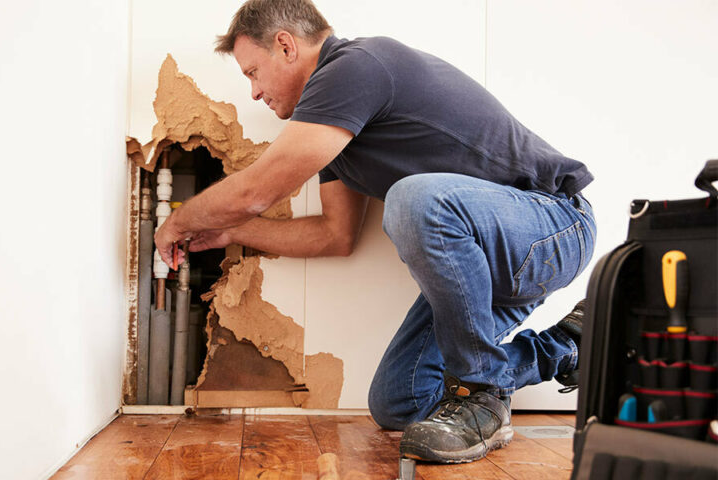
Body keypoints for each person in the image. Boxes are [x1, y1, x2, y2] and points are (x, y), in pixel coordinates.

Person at [155, 0, 596, 464]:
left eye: (252, 73)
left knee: (415, 199)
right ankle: (566, 347)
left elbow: (257, 191)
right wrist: (233, 233)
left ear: (285, 46)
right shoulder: (334, 134)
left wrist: (180, 221)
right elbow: (334, 235)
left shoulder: (356, 67)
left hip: (552, 226)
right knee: (399, 400)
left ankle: (481, 395)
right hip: (481, 264)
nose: (254, 93)